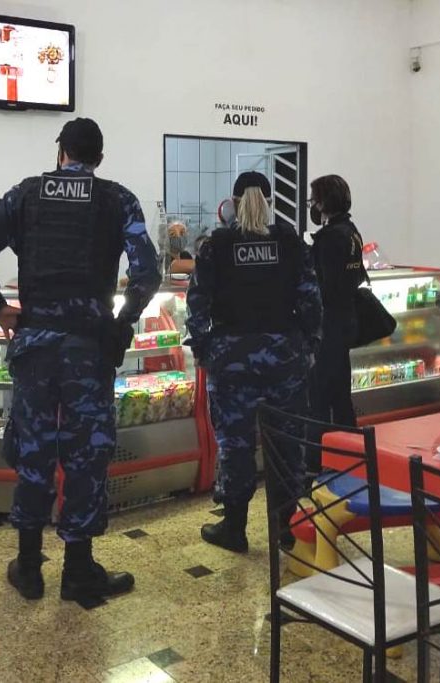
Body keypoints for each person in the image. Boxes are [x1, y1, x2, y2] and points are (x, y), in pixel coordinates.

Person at [0, 118, 161, 601]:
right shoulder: (117, 199)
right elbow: (147, 272)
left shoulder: (27, 194)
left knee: (34, 453)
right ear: (99, 158)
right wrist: (122, 322)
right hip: (88, 350)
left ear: (60, 152)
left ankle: (29, 568)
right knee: (87, 457)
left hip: (35, 348)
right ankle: (79, 570)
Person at [186, 171, 322, 552]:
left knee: (235, 443)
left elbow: (197, 303)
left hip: (231, 359)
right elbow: (311, 299)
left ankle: (234, 528)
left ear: (232, 202)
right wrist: (308, 344)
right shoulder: (290, 241)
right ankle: (286, 527)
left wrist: (203, 348)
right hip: (284, 356)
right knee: (286, 442)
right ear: (270, 201)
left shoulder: (217, 245)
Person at [306, 174, 365, 474]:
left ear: (324, 202)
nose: (312, 205)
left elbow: (322, 288)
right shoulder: (352, 233)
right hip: (346, 322)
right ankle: (351, 457)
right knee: (341, 395)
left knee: (318, 396)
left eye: (314, 199)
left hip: (327, 326)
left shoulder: (328, 239)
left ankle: (314, 462)